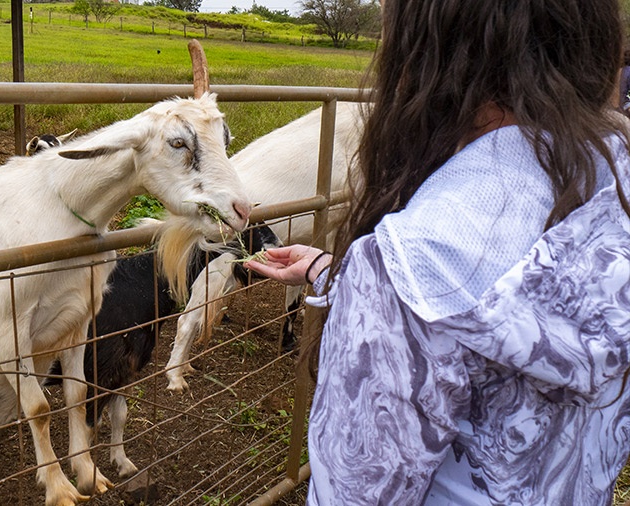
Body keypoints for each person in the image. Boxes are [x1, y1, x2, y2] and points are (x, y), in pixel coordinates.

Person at [244, 1, 630, 504]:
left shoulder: (415, 257)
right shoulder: (612, 186)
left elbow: (356, 492)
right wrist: (330, 271)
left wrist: (376, 280)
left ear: (433, 62)